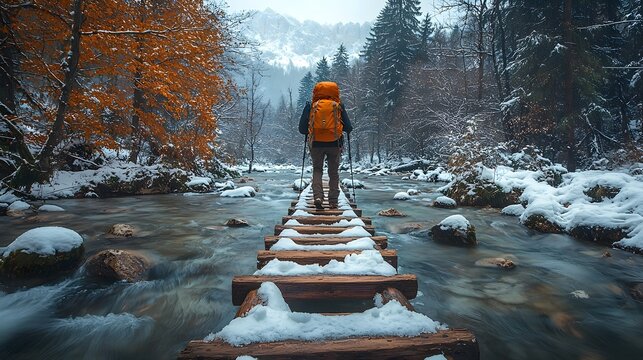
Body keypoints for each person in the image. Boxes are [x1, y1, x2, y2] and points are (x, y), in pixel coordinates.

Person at [298, 81, 353, 209]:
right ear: (335, 92)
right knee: (333, 172)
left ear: (316, 92)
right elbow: (349, 127)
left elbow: (301, 129)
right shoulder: (338, 106)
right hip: (335, 143)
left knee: (317, 170)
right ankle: (333, 201)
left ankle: (318, 196)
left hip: (316, 144)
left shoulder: (311, 106)